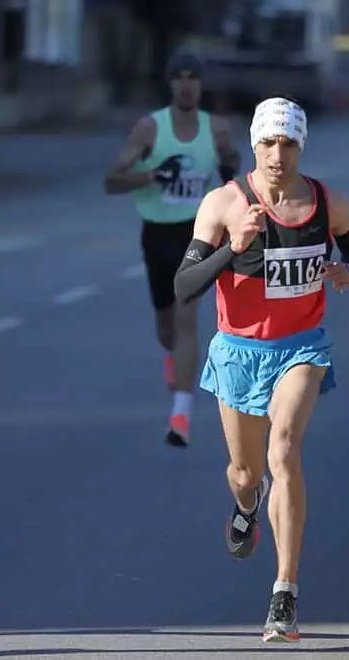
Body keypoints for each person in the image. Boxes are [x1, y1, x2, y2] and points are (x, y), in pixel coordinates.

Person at [173, 96, 349, 642]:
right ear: (253, 144)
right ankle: (246, 504)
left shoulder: (328, 202)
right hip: (239, 352)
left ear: (300, 145)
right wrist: (231, 249)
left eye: (288, 143)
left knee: (284, 449)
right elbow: (183, 287)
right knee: (246, 473)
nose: (278, 154)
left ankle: (284, 593)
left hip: (302, 347)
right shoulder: (224, 203)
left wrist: (345, 269)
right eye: (268, 142)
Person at [103, 51, 241, 448]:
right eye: (178, 77)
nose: (186, 85)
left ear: (201, 84)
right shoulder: (150, 129)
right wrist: (151, 174)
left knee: (186, 319)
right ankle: (174, 360)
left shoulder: (216, 129)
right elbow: (112, 180)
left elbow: (233, 168)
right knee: (166, 326)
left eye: (192, 78)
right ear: (170, 84)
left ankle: (180, 414)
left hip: (198, 235)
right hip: (156, 235)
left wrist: (231, 173)